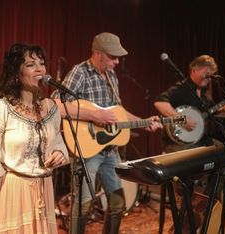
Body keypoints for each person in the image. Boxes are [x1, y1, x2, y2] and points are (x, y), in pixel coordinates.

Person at [51, 32, 163, 234]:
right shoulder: (80, 73)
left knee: (118, 204)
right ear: (97, 53)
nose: (117, 61)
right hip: (88, 150)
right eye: (113, 57)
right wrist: (94, 115)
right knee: (83, 207)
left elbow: (118, 111)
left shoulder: (111, 76)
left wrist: (142, 122)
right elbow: (56, 104)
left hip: (110, 151)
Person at [0, 43, 69, 233]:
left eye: (41, 63)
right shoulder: (3, 108)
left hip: (44, 190)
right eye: (30, 64)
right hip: (13, 191)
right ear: (16, 72)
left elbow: (58, 143)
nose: (39, 69)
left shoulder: (51, 108)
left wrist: (59, 153)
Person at [153, 55, 225, 232]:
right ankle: (186, 213)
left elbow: (217, 114)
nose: (209, 77)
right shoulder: (181, 89)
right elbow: (159, 102)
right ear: (194, 70)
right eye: (206, 73)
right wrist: (180, 119)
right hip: (180, 143)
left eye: (212, 74)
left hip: (201, 142)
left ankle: (206, 202)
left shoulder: (205, 94)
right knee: (186, 184)